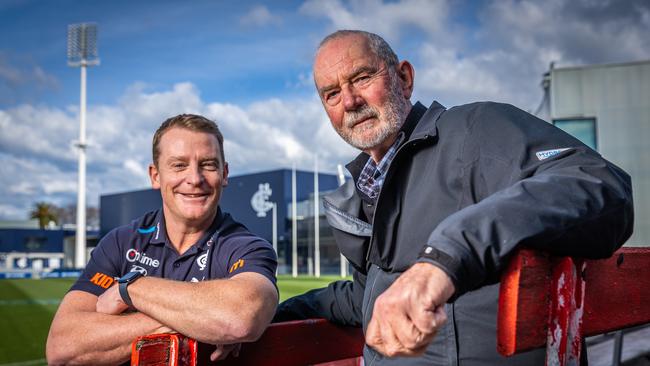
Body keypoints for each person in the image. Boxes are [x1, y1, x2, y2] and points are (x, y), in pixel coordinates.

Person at [274, 30, 634, 365]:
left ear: (404, 78)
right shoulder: (367, 188)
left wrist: (443, 259)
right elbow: (368, 295)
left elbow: (599, 184)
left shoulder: (474, 129)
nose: (350, 101)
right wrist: (271, 316)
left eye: (362, 78)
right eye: (332, 93)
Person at [46, 114, 278, 365]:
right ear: (155, 176)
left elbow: (241, 317)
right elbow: (63, 347)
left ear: (224, 173)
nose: (194, 179)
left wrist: (130, 289)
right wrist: (201, 320)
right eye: (179, 165)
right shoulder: (121, 243)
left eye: (208, 165)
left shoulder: (247, 246)